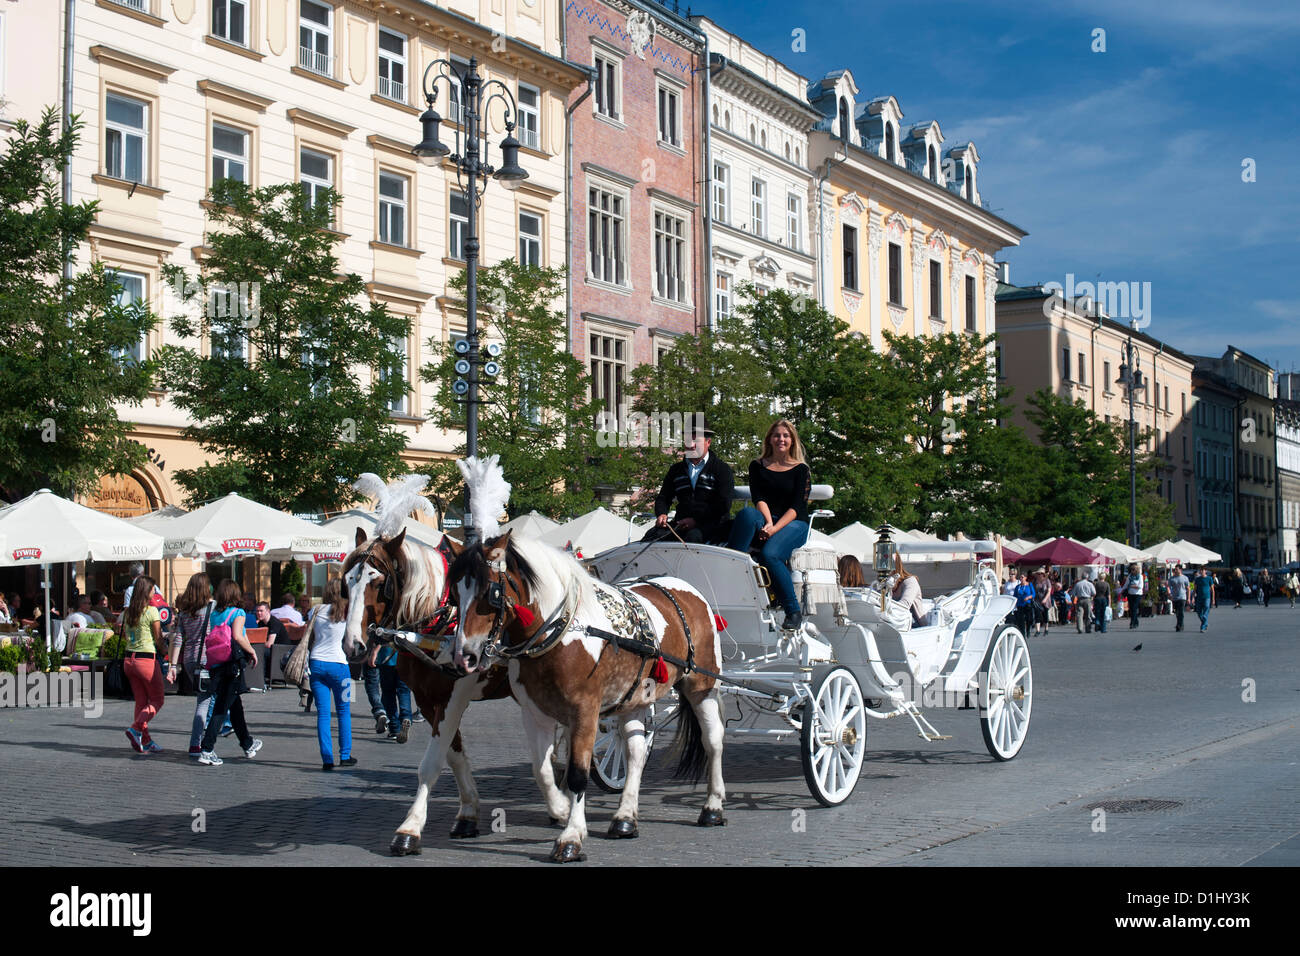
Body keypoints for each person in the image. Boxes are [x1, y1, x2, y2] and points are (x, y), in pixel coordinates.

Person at [727, 419, 812, 630]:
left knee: (770, 554)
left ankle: (793, 610)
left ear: (792, 440)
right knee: (746, 514)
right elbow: (759, 498)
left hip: (794, 523)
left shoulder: (801, 469)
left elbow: (796, 507)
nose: (781, 439)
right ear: (769, 439)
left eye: (785, 435)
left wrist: (773, 528)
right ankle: (732, 569)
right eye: (777, 435)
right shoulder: (757, 466)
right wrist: (767, 522)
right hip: (768, 517)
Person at [197, 580, 263, 766]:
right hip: (232, 664)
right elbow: (237, 636)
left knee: (235, 706)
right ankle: (207, 748)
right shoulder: (238, 613)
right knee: (221, 707)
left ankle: (247, 744)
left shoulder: (215, 614)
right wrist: (251, 651)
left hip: (217, 663)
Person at [643, 419, 735, 545]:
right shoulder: (676, 470)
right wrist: (662, 514)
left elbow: (723, 505)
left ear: (708, 442)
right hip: (681, 524)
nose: (691, 445)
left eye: (696, 440)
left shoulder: (722, 469)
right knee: (653, 535)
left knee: (693, 537)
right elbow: (664, 497)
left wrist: (696, 521)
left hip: (713, 526)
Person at [308, 579, 356, 771]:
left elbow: (309, 636)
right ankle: (345, 755)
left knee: (323, 714)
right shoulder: (347, 612)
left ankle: (327, 759)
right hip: (340, 665)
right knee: (344, 711)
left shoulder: (315, 610)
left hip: (316, 663)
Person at [168, 573, 216, 757]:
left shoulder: (185, 612)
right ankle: (197, 744)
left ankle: (202, 739)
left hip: (189, 659)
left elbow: (178, 638)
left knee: (205, 699)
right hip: (208, 659)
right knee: (205, 702)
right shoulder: (212, 608)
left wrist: (173, 665)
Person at [122, 576, 166, 755]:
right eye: (153, 588)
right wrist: (165, 653)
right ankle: (136, 728)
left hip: (129, 660)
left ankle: (145, 740)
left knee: (141, 702)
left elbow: (125, 635)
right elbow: (158, 637)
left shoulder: (128, 612)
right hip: (146, 659)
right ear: (146, 591)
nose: (155, 592)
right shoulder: (151, 611)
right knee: (157, 699)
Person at [254, 601, 289, 690]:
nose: (259, 613)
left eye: (261, 611)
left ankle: (260, 680)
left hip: (280, 651)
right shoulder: (261, 623)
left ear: (268, 611)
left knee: (260, 652)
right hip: (273, 650)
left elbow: (269, 643)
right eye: (257, 611)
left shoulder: (274, 622)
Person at [1193, 567, 1216, 632]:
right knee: (1199, 612)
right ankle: (1205, 623)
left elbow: (1212, 590)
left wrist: (1213, 599)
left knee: (1206, 608)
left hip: (1207, 597)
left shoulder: (1209, 578)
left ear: (1205, 571)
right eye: (1200, 570)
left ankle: (1202, 627)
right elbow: (1195, 589)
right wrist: (1193, 597)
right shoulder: (1197, 579)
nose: (1201, 571)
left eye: (1202, 570)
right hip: (1199, 597)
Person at [1168, 565, 1190, 632]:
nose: (1175, 570)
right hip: (1175, 597)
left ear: (1180, 570)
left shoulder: (1185, 578)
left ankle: (1179, 626)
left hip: (1182, 597)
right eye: (1175, 569)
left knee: (1181, 612)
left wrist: (1188, 598)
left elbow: (1188, 588)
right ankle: (1179, 624)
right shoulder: (1172, 578)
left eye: (1176, 569)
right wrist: (1169, 594)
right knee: (1177, 612)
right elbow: (1168, 587)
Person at [1124, 562, 1144, 629]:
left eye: (1133, 570)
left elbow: (1140, 586)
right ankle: (1136, 621)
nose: (1132, 571)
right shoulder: (1130, 576)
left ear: (1136, 570)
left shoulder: (1140, 576)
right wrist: (1121, 590)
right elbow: (1126, 584)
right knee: (1131, 609)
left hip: (1137, 594)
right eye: (1131, 570)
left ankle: (1132, 623)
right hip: (1130, 594)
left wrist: (1132, 586)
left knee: (1134, 608)